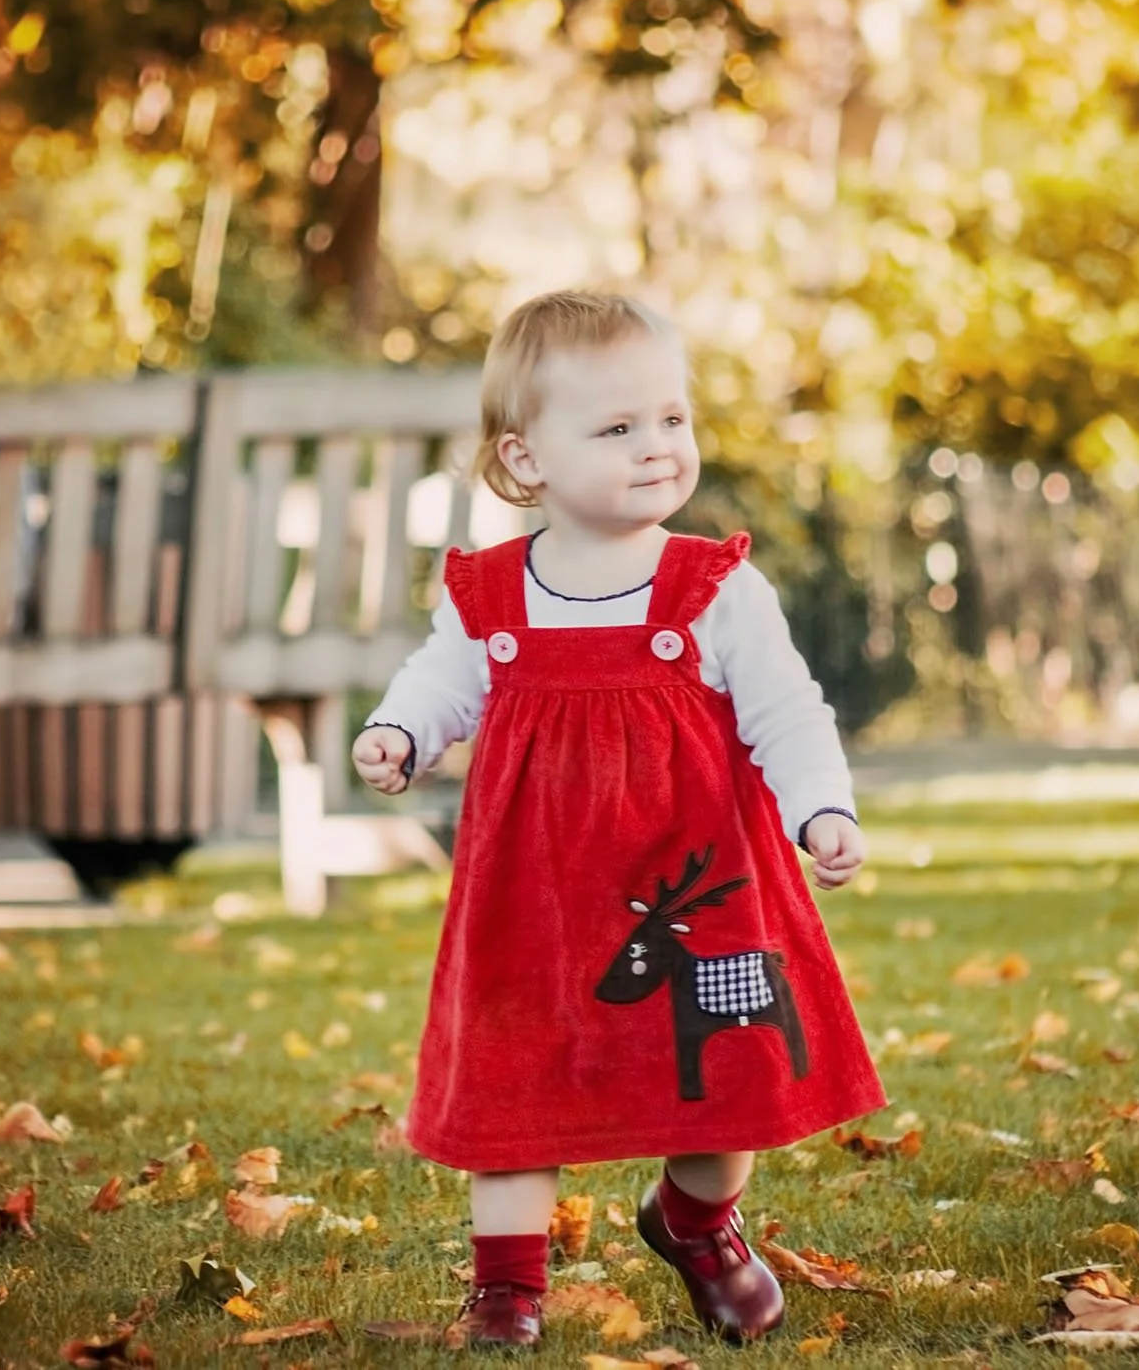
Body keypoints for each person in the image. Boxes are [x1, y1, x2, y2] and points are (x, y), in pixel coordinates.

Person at [351, 291, 888, 1350]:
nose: (655, 447)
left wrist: (819, 806)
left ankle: (694, 1219)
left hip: (696, 879)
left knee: (728, 1065)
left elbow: (785, 706)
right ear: (525, 458)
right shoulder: (490, 594)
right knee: (516, 1070)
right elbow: (441, 680)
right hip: (532, 894)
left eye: (670, 420)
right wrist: (401, 733)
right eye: (615, 428)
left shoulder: (714, 587)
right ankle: (506, 1284)